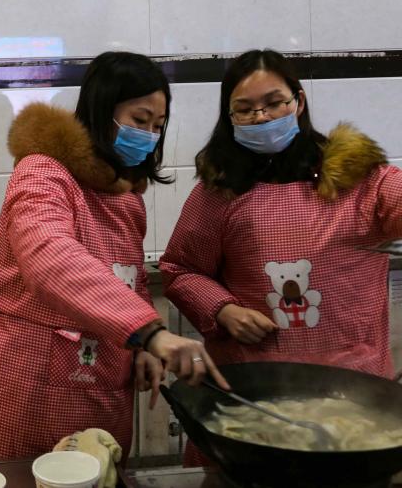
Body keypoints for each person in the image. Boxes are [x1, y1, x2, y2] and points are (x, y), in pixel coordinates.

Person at [0, 52, 226, 461]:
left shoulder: (127, 197)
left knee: (99, 471)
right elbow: (50, 256)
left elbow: (131, 280)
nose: (149, 135)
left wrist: (141, 349)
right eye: (139, 120)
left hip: (105, 391)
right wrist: (150, 332)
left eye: (158, 126)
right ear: (102, 110)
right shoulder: (42, 173)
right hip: (29, 392)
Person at [160, 49, 402, 464]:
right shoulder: (220, 190)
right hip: (251, 395)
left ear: (298, 102)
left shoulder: (359, 178)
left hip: (354, 392)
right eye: (245, 109)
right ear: (230, 117)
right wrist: (223, 310)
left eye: (274, 103)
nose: (261, 118)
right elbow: (179, 269)